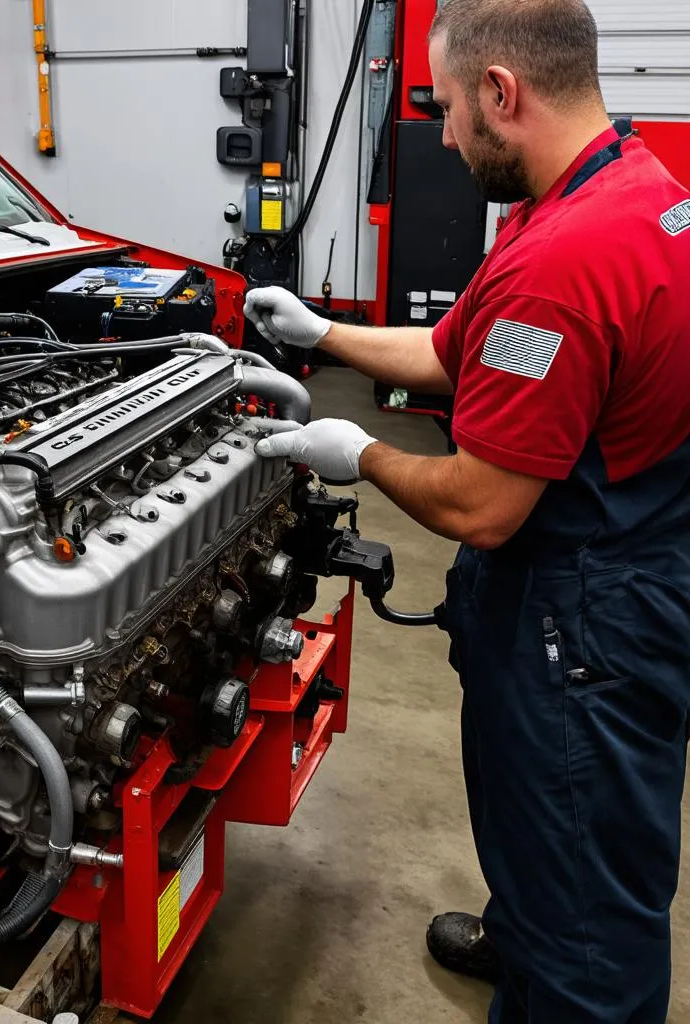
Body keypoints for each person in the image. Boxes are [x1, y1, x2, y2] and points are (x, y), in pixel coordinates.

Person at [245, 0, 690, 1020]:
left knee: (592, 924)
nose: (441, 135)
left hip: (579, 619)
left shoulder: (559, 265)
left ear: (502, 91)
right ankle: (529, 933)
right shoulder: (623, 189)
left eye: (446, 107)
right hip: (631, 557)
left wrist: (355, 450)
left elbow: (483, 503)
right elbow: (458, 351)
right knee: (555, 839)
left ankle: (560, 975)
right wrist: (328, 333)